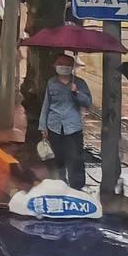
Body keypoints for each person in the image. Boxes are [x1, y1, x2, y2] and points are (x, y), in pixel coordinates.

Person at [38, 53, 93, 190]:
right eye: (60, 64)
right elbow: (46, 104)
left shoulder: (80, 83)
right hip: (54, 126)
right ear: (55, 66)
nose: (63, 67)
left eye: (67, 65)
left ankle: (76, 187)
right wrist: (43, 126)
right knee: (57, 159)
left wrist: (76, 92)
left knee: (75, 159)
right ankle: (59, 185)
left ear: (72, 67)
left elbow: (87, 102)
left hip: (73, 127)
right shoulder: (51, 82)